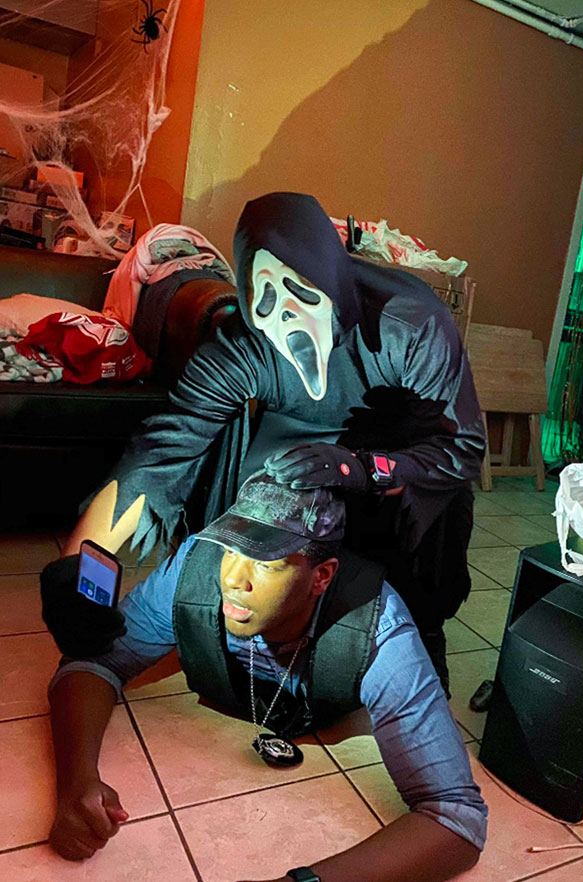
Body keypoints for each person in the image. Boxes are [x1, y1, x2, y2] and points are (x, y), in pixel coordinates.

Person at [63, 192, 486, 693]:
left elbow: (461, 448)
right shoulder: (241, 346)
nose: (284, 313)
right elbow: (160, 454)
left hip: (398, 447)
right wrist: (77, 566)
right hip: (293, 436)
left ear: (331, 282)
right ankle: (265, 637)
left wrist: (359, 468)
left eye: (300, 291)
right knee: (263, 510)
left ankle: (424, 629)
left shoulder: (408, 322)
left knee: (437, 506)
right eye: (264, 297)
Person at [43, 472, 487, 880]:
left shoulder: (379, 631)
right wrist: (76, 781)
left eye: (267, 563)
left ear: (321, 576)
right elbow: (93, 664)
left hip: (337, 717)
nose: (234, 579)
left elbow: (456, 817)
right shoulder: (197, 563)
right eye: (231, 550)